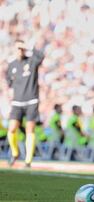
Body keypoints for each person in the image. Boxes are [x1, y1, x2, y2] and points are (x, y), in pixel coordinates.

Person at [5, 39, 44, 168]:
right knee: (11, 129)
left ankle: (28, 161)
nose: (20, 51)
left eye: (22, 48)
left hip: (31, 100)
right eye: (18, 48)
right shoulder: (12, 65)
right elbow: (9, 83)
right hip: (17, 102)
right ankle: (15, 153)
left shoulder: (31, 61)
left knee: (30, 130)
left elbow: (41, 56)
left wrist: (29, 47)